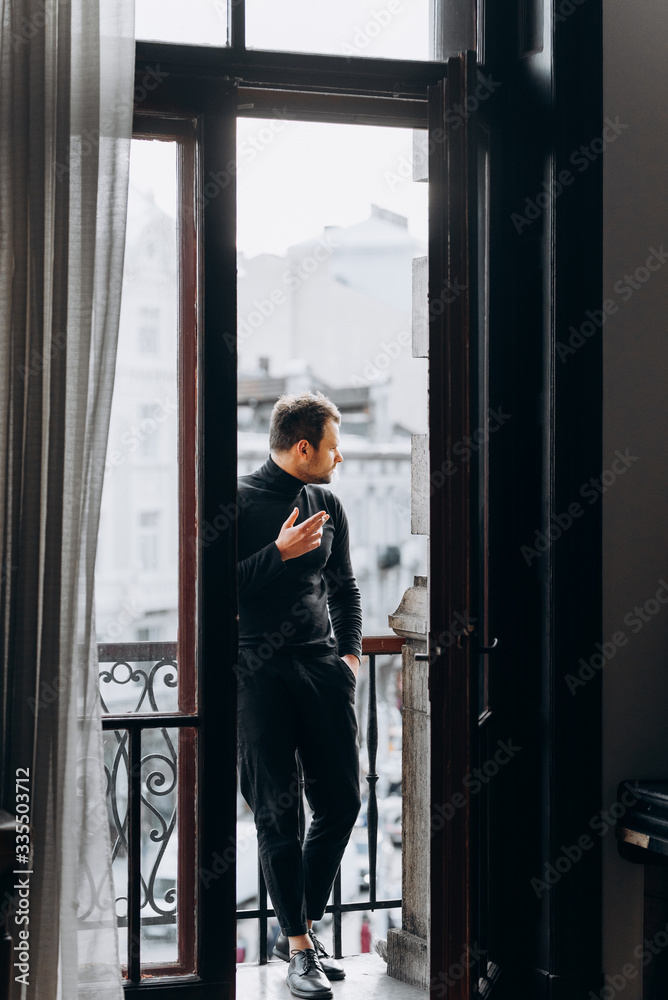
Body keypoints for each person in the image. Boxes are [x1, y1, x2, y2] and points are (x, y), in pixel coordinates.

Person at [236, 391, 363, 999]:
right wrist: (277, 554)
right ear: (304, 446)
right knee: (278, 814)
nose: (339, 458)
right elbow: (213, 589)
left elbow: (346, 587)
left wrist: (351, 655)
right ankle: (298, 950)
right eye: (333, 448)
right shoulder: (235, 500)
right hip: (257, 670)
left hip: (320, 666)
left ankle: (301, 930)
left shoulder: (326, 500)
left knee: (342, 801)